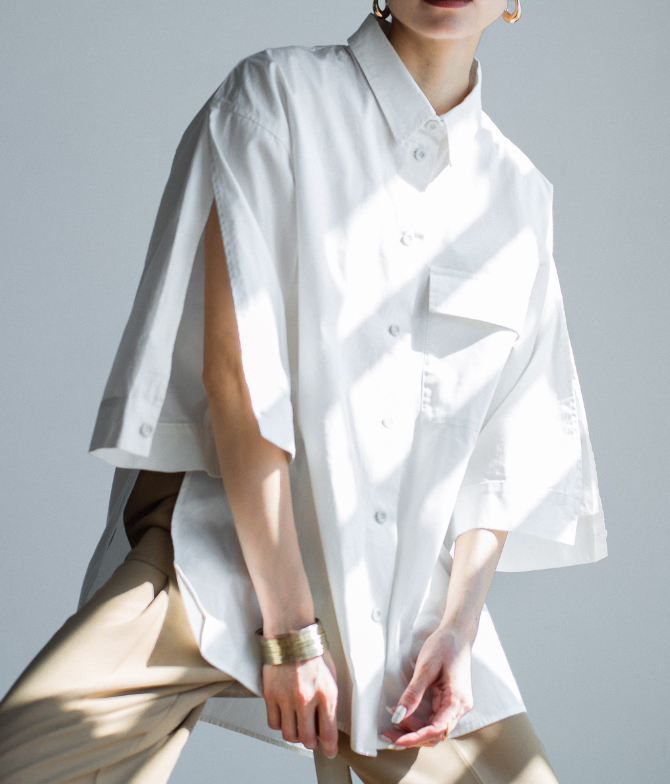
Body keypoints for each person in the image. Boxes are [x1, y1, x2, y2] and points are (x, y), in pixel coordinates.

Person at [0, 2, 607, 783]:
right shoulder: (276, 98)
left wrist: (457, 628)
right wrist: (291, 630)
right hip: (220, 556)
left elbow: (506, 449)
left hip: (406, 628)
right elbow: (237, 375)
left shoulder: (518, 196)